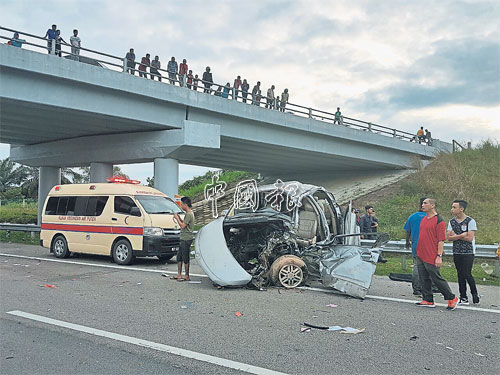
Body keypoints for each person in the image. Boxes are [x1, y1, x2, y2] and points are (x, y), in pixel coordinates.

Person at [415, 198, 458, 310]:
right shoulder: (424, 219)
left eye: (425, 203)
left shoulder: (439, 220)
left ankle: (451, 297)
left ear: (432, 205)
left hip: (432, 254)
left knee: (436, 278)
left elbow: (441, 240)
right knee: (423, 277)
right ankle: (428, 299)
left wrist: (439, 256)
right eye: (422, 203)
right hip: (421, 253)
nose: (422, 205)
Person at [447, 200, 479, 305]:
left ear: (461, 209)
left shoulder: (470, 221)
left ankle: (474, 293)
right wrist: (461, 235)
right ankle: (463, 296)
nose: (452, 209)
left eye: (454, 207)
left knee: (467, 273)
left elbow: (470, 238)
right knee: (460, 274)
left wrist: (456, 236)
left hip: (468, 251)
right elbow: (449, 237)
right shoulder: (451, 222)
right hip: (457, 251)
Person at [404, 198, 427, 295]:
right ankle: (426, 288)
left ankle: (416, 289)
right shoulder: (431, 217)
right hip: (428, 246)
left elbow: (407, 231)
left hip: (416, 245)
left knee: (417, 267)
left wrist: (407, 241)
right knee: (428, 268)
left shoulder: (412, 216)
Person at [172, 197, 195, 281]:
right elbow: (185, 223)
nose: (181, 206)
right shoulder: (188, 214)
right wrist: (179, 218)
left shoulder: (189, 214)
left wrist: (177, 218)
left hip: (186, 238)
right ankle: (179, 274)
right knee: (179, 256)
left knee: (185, 256)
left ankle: (186, 275)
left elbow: (182, 226)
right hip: (183, 237)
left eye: (182, 204)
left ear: (185, 204)